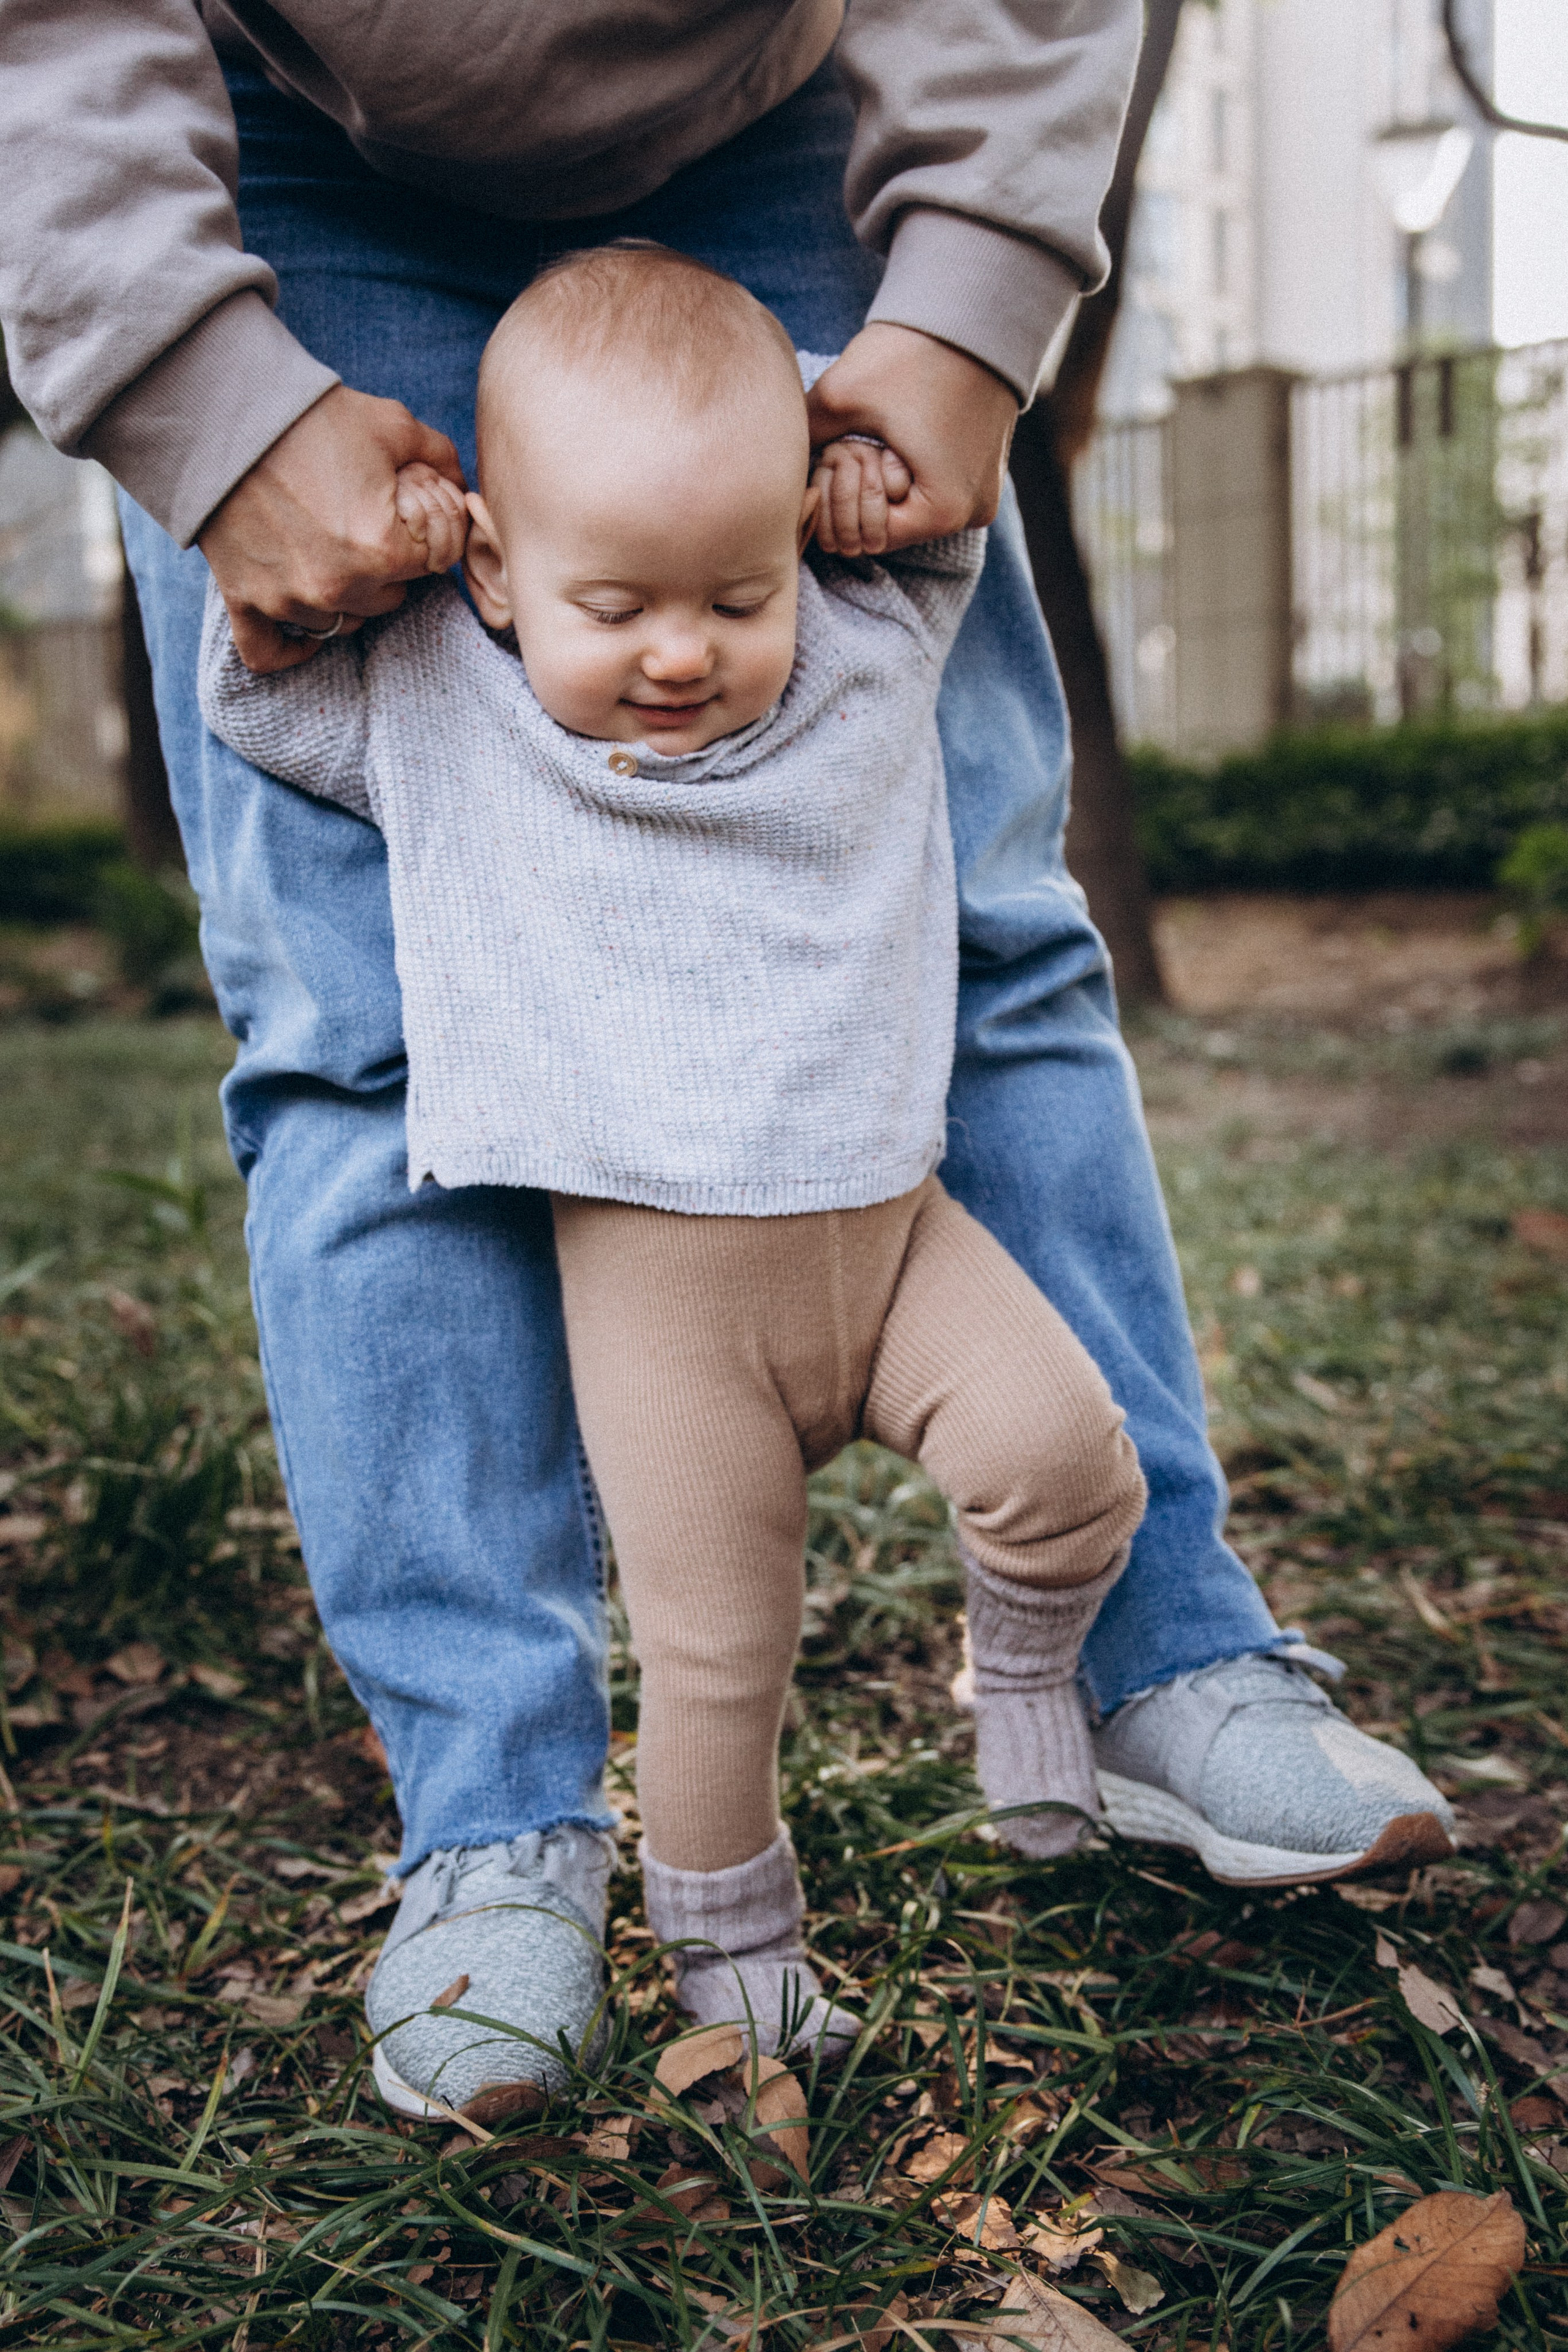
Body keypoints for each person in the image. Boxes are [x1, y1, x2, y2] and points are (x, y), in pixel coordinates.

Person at [0, 0, 1455, 2112]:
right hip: (270, 150)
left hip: (788, 127)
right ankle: (500, 1820)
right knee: (348, 1033)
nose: (681, 661)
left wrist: (971, 291)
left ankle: (1160, 1657)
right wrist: (193, 391)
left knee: (987, 921)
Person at [199, 243, 1150, 2116]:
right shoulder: (447, 715)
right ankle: (737, 1957)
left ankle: (1029, 1695)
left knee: (1067, 1464)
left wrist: (873, 495)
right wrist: (298, 613)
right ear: (490, 568)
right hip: (664, 1321)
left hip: (895, 1244)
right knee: (724, 1660)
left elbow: (930, 553)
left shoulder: (856, 661)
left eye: (734, 591)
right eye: (616, 600)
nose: (680, 651)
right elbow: (262, 716)